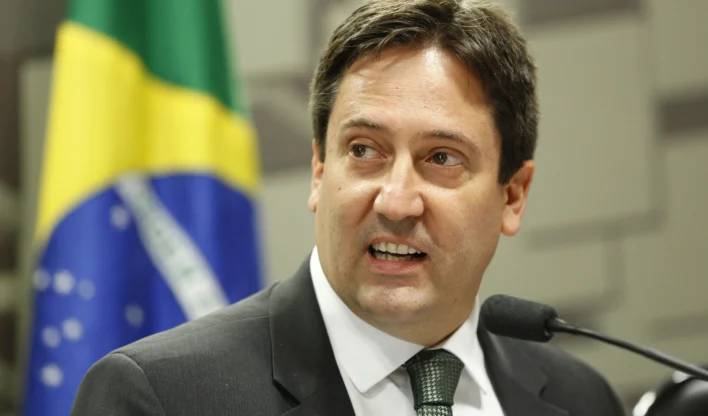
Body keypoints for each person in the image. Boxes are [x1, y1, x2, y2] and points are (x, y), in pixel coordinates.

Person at [72, 1, 625, 415]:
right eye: (364, 151)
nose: (396, 201)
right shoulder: (163, 398)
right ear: (320, 169)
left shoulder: (581, 399)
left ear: (513, 195)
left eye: (441, 158)